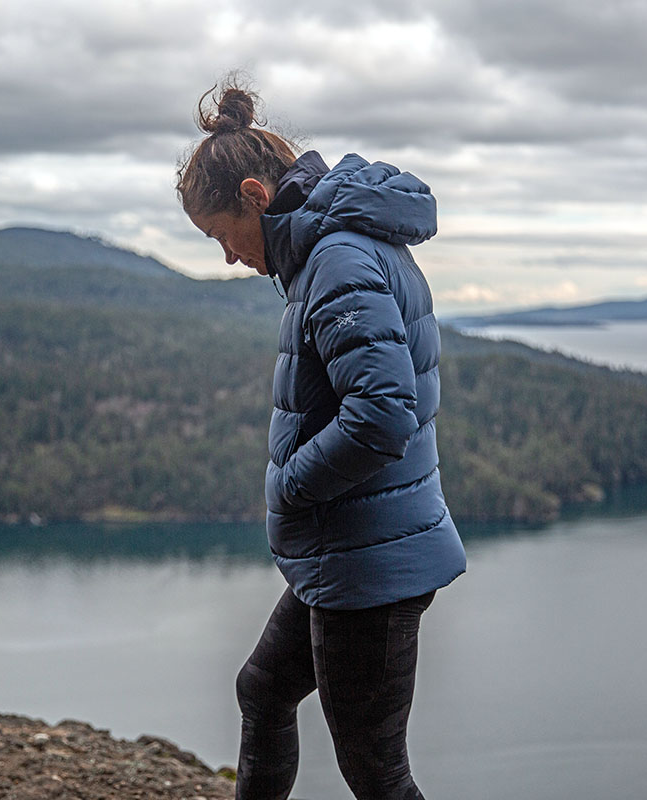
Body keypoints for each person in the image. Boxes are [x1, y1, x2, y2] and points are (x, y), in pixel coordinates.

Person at [175, 79, 466, 800]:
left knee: (376, 773)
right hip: (351, 553)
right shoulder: (332, 251)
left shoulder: (337, 259)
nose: (230, 257)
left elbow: (383, 414)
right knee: (263, 689)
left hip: (370, 565)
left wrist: (291, 482)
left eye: (221, 235)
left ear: (254, 195)